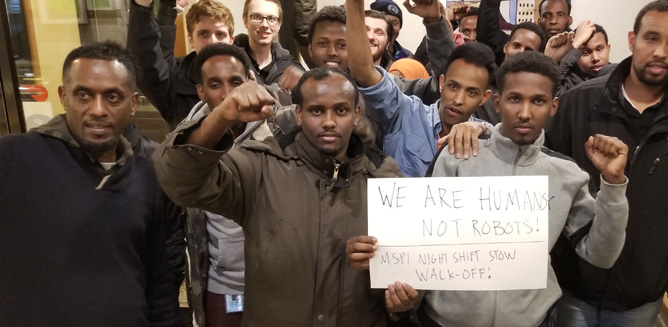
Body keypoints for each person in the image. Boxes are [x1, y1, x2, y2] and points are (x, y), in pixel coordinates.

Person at [348, 51, 630, 326]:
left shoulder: (567, 174)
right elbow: (426, 239)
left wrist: (614, 185)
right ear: (497, 102)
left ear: (553, 106)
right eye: (515, 99)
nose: (525, 112)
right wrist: (399, 278)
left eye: (539, 101)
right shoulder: (457, 155)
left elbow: (602, 256)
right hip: (446, 320)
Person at [153, 64, 414, 326]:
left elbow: (408, 270)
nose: (329, 121)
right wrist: (221, 117)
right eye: (316, 110)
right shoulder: (261, 166)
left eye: (341, 110)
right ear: (298, 114)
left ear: (356, 114)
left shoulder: (384, 176)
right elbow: (177, 181)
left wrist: (402, 302)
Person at [547, 0, 668, 326]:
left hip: (642, 290)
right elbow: (544, 175)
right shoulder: (580, 101)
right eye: (652, 38)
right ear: (633, 40)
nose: (661, 51)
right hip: (573, 282)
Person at [0, 42, 181, 327]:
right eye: (83, 95)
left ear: (133, 103)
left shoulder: (147, 175)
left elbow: (158, 284)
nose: (98, 110)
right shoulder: (14, 158)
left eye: (112, 97)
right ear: (63, 96)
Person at [342, 0, 495, 177]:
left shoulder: (487, 137)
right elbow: (364, 72)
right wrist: (354, 1)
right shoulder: (405, 113)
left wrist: (485, 129)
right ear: (441, 82)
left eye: (471, 92)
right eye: (453, 86)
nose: (458, 99)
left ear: (484, 97)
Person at [180, 43, 275, 327]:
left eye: (235, 82)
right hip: (223, 284)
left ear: (250, 81)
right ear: (201, 91)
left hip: (277, 284)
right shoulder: (186, 141)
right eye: (214, 84)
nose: (227, 94)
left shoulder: (280, 133)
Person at [127, 0, 235, 129]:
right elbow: (147, 61)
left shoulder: (248, 77)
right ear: (191, 39)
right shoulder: (175, 84)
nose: (212, 41)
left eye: (220, 34)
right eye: (203, 34)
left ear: (231, 40)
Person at [233, 0, 306, 103]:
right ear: (245, 21)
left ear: (279, 24)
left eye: (271, 19)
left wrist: (305, 82)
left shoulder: (290, 66)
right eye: (257, 17)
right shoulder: (231, 63)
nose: (265, 25)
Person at [476, 0, 555, 65]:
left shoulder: (543, 80)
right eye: (516, 45)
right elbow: (488, 32)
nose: (520, 53)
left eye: (529, 50)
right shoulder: (493, 78)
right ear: (506, 47)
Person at [545, 21, 613, 95]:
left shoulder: (619, 75)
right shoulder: (568, 83)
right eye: (586, 52)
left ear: (608, 49)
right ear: (575, 55)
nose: (595, 58)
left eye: (599, 49)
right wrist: (576, 43)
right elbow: (551, 93)